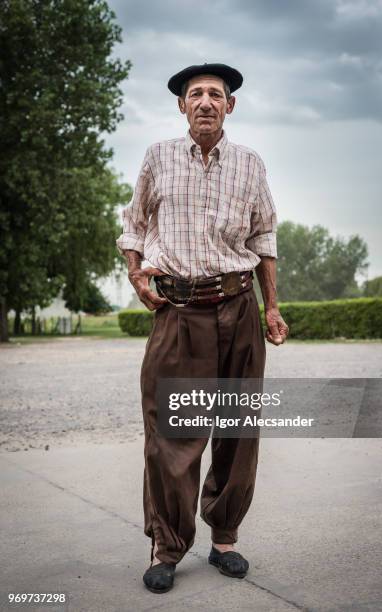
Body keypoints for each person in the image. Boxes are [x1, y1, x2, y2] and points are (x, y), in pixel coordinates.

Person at [116, 62, 289, 594]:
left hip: (238, 309)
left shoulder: (250, 164)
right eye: (197, 94)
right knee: (171, 434)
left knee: (238, 432)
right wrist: (136, 276)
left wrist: (272, 308)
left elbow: (264, 239)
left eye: (217, 94)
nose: (207, 102)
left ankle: (225, 538)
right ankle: (168, 546)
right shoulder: (158, 158)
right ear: (182, 106)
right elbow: (134, 224)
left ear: (230, 106)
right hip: (178, 314)